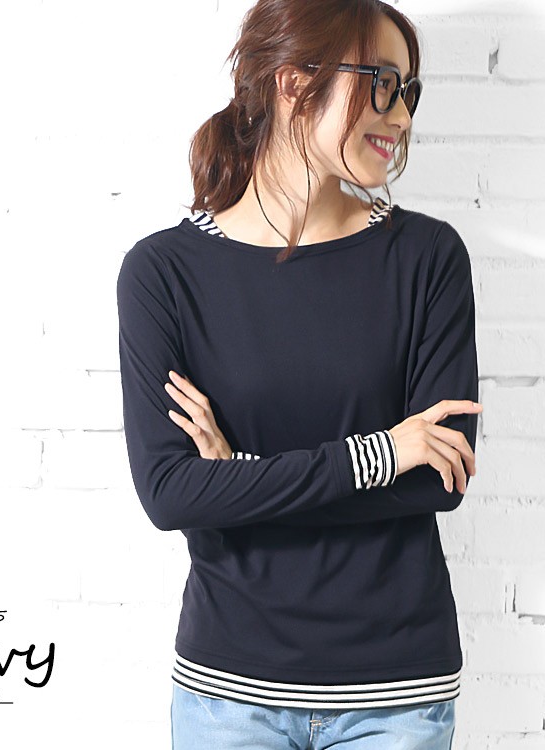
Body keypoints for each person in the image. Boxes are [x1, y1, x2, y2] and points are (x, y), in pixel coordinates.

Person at [115, 1, 482, 747]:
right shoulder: (163, 274)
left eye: (408, 91)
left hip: (397, 696)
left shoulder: (428, 259)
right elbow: (171, 493)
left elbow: (439, 480)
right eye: (382, 83)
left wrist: (238, 480)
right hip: (227, 692)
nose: (400, 116)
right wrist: (383, 453)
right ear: (293, 81)